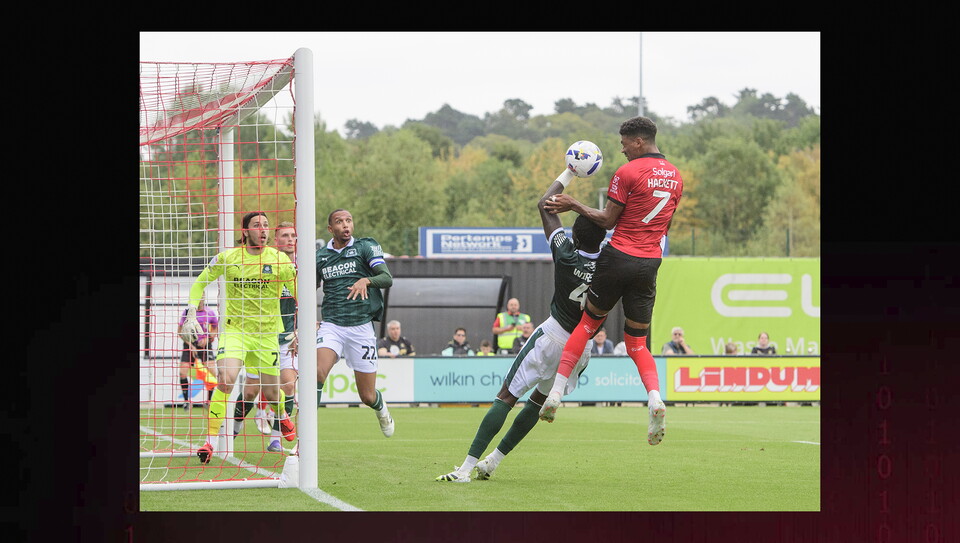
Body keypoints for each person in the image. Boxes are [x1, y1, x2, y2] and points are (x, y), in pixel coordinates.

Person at [436, 164, 606, 483]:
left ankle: (465, 469)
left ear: (573, 235)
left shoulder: (567, 254)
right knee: (537, 402)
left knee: (506, 397)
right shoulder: (612, 263)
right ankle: (493, 462)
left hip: (552, 336)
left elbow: (545, 202)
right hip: (580, 349)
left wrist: (569, 172)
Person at [540, 116, 683, 447]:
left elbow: (606, 220)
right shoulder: (676, 176)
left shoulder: (628, 172)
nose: (621, 151)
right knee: (637, 343)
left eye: (622, 144)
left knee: (588, 325)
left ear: (637, 141)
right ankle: (654, 399)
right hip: (649, 264)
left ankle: (556, 393)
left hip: (618, 257)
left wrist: (572, 203)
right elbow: (666, 227)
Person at [181, 211, 298, 464]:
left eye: (266, 225)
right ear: (245, 231)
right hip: (235, 331)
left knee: (270, 391)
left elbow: (299, 295)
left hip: (267, 334)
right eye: (257, 225)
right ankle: (210, 442)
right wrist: (191, 311)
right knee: (226, 380)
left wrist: (301, 328)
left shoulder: (280, 261)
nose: (263, 230)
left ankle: (282, 416)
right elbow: (200, 282)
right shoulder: (228, 258)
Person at [315, 209, 395, 437]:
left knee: (367, 396)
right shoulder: (320, 256)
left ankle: (381, 409)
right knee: (317, 372)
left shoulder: (364, 247)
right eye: (339, 222)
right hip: (332, 325)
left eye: (348, 221)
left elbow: (387, 278)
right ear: (331, 229)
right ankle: (307, 435)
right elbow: (308, 289)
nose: (345, 225)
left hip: (361, 327)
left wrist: (366, 280)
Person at [177, 297, 219, 410]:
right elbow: (179, 331)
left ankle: (209, 401)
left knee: (214, 372)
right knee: (182, 372)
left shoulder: (210, 312)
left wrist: (209, 338)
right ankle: (186, 402)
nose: (199, 300)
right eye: (197, 297)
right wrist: (190, 344)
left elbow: (215, 328)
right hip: (189, 344)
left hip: (204, 345)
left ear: (204, 298)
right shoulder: (187, 313)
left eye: (201, 298)